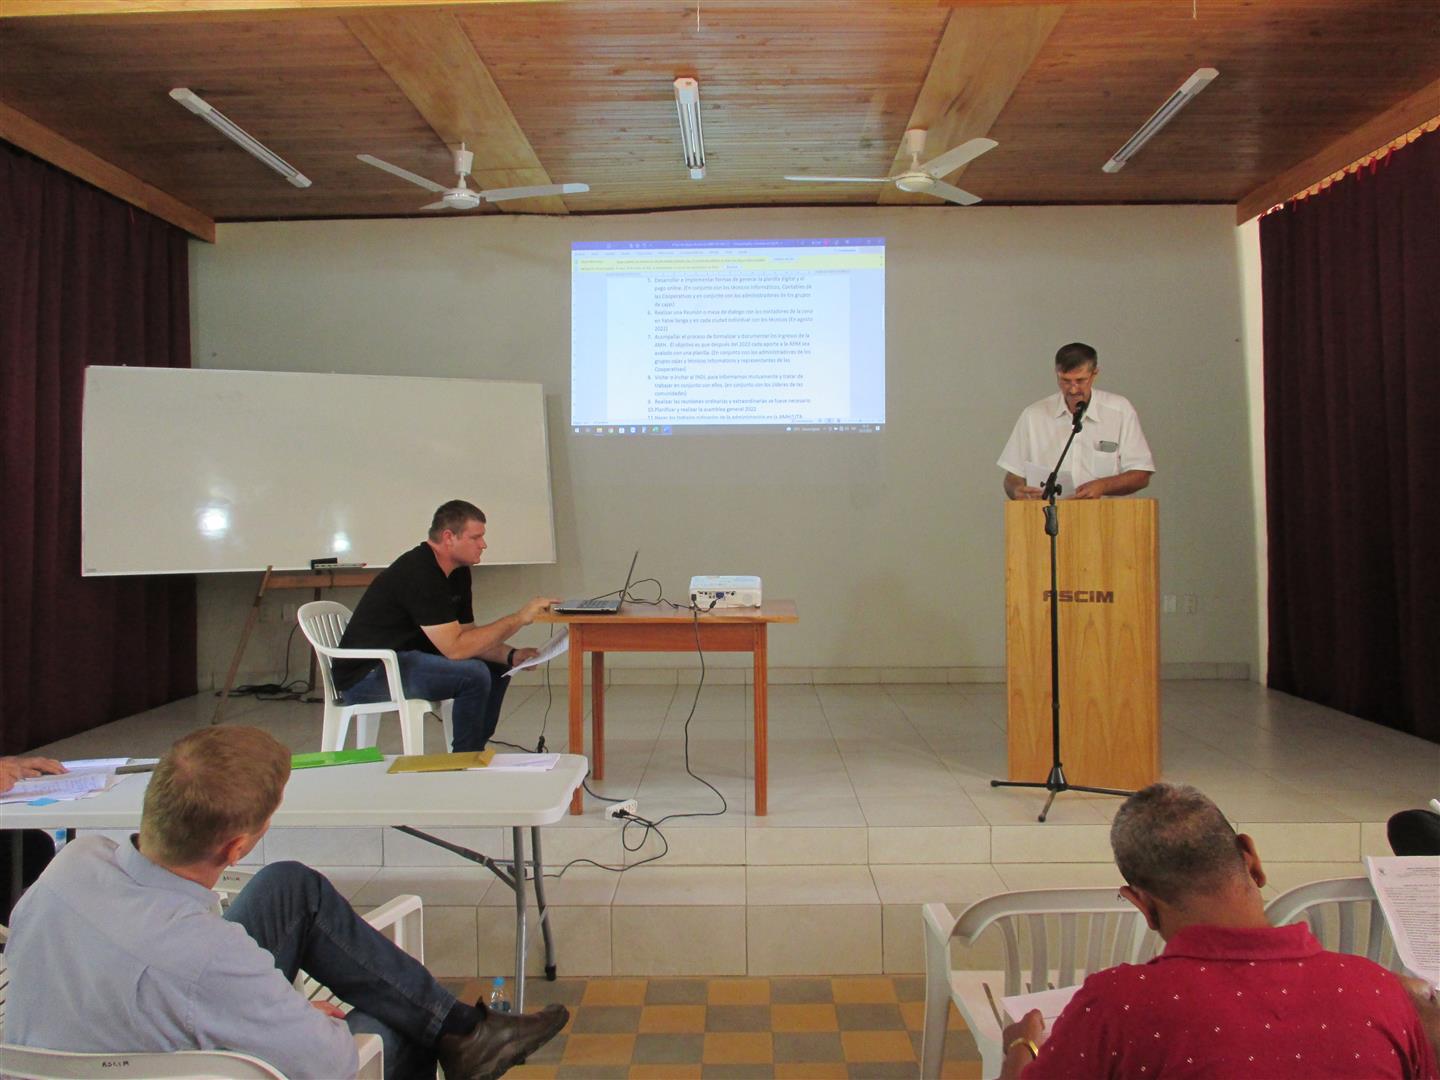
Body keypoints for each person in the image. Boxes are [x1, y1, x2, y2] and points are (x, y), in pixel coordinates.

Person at [5, 726, 568, 1080]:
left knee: (288, 886)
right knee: (392, 1024)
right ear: (236, 847)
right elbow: (334, 1064)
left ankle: (465, 1032)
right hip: (171, 1051)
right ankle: (458, 1037)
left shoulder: (73, 863)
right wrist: (293, 1018)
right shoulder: (214, 957)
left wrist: (267, 1012)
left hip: (80, 1050)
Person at [998, 783, 1437, 1079]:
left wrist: (1021, 1047)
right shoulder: (1379, 992)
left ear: (1142, 904)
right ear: (1252, 860)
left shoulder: (1117, 1005)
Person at [334, 500, 559, 752]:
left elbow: (469, 636)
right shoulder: (419, 572)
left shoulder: (457, 571)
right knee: (472, 674)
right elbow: (456, 649)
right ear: (449, 537)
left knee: (496, 668)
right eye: (476, 537)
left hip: (404, 661)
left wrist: (510, 656)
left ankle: (474, 751)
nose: (483, 544)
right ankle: (464, 759)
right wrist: (519, 618)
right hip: (367, 675)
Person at [998, 342, 1155, 500]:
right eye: (1065, 381)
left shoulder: (1120, 411)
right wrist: (1017, 490)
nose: (1073, 389)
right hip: (1048, 512)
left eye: (1080, 380)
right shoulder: (1033, 415)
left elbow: (1141, 474)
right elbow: (1012, 476)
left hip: (1105, 512)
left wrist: (1103, 486)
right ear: (1056, 374)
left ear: (1094, 374)